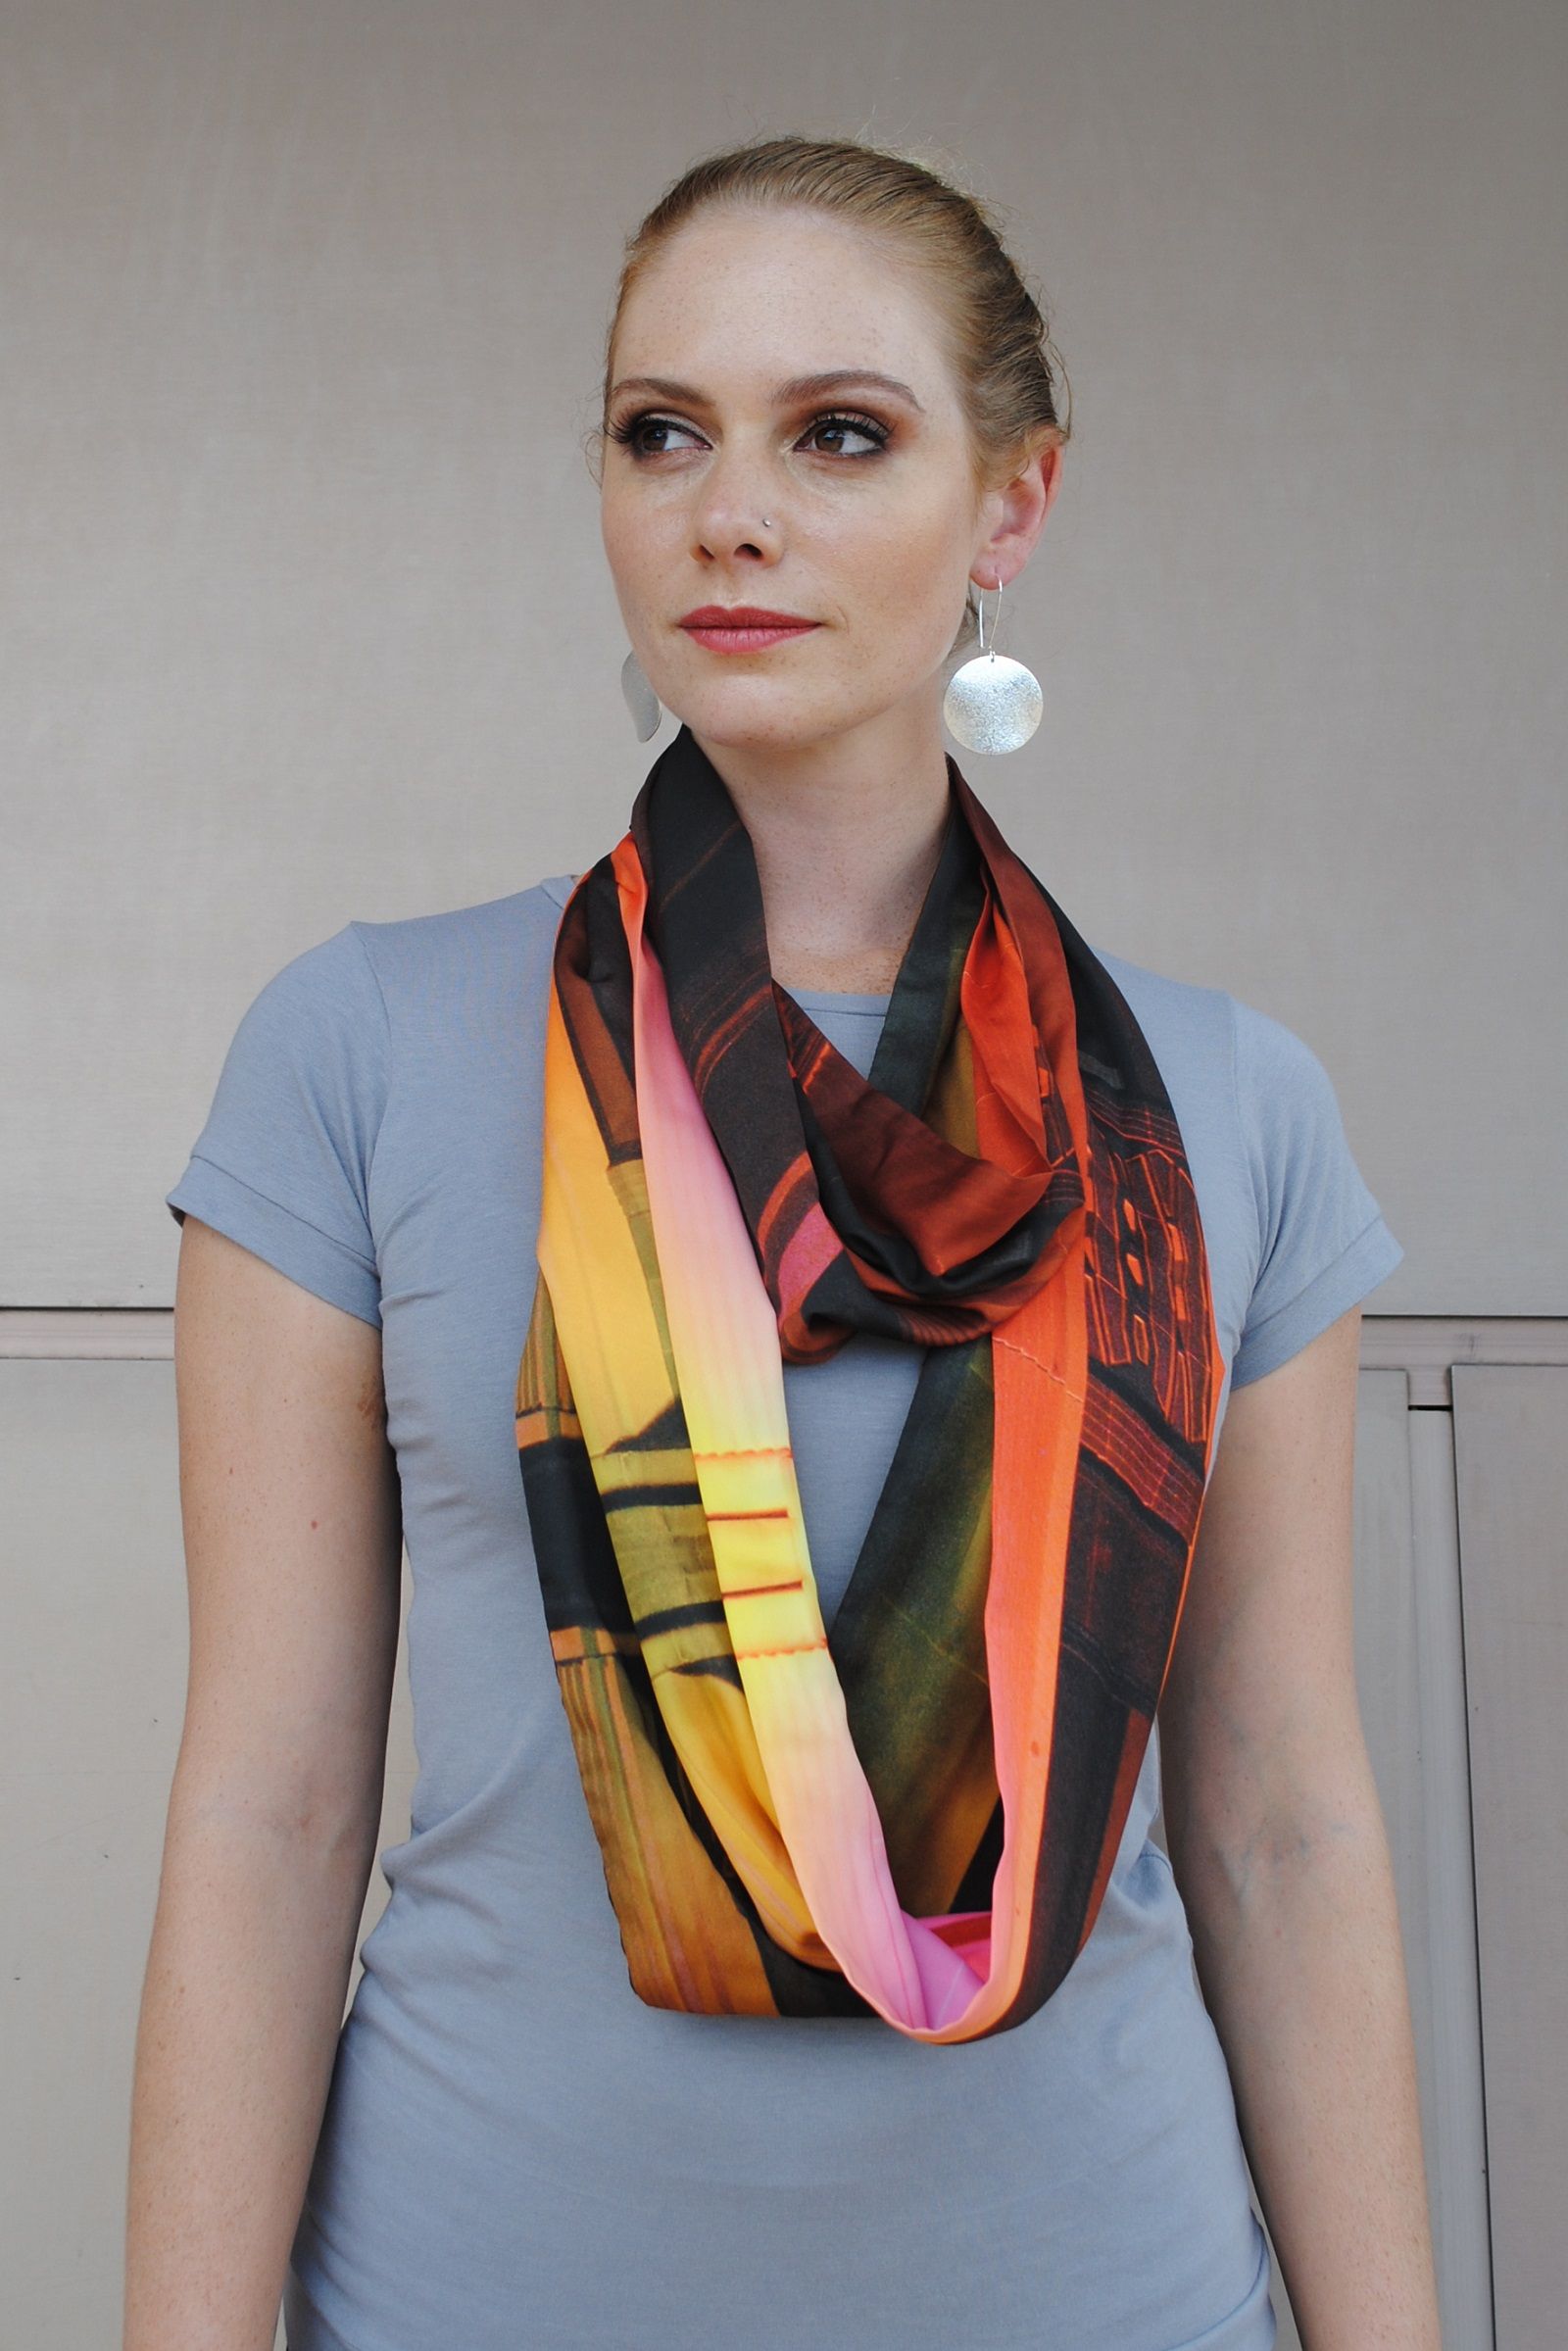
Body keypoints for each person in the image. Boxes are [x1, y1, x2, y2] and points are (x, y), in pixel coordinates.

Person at [126, 133, 1444, 2351]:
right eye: (664, 433)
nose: (728, 512)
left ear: (1011, 504)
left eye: (838, 434)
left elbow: (1283, 1825)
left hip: (1105, 2298)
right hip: (479, 2295)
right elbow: (270, 1806)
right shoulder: (358, 1051)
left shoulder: (1231, 1107)